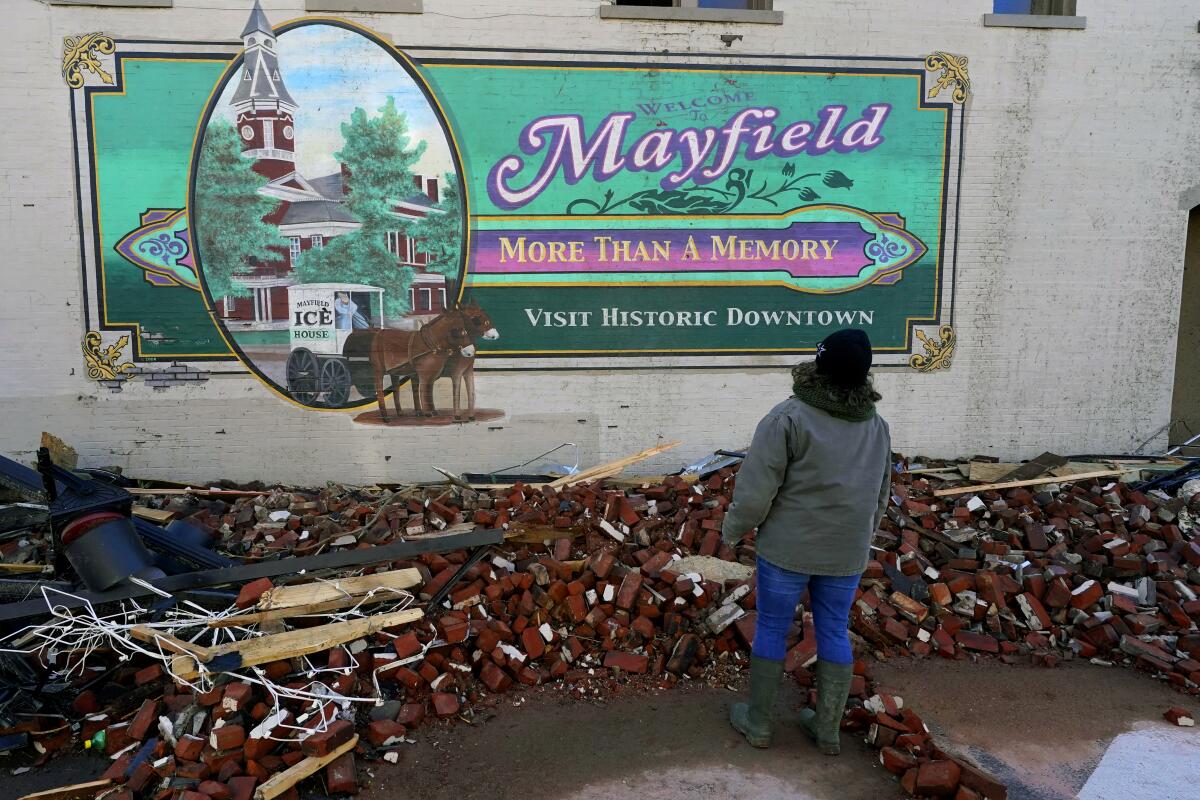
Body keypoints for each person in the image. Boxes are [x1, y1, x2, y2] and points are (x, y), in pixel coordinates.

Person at [722, 328, 892, 755]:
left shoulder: (788, 418)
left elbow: (756, 491)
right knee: (833, 629)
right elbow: (881, 492)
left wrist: (732, 530)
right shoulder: (877, 426)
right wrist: (862, 537)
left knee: (774, 627)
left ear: (818, 367)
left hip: (787, 549)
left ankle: (759, 723)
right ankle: (828, 729)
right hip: (846, 551)